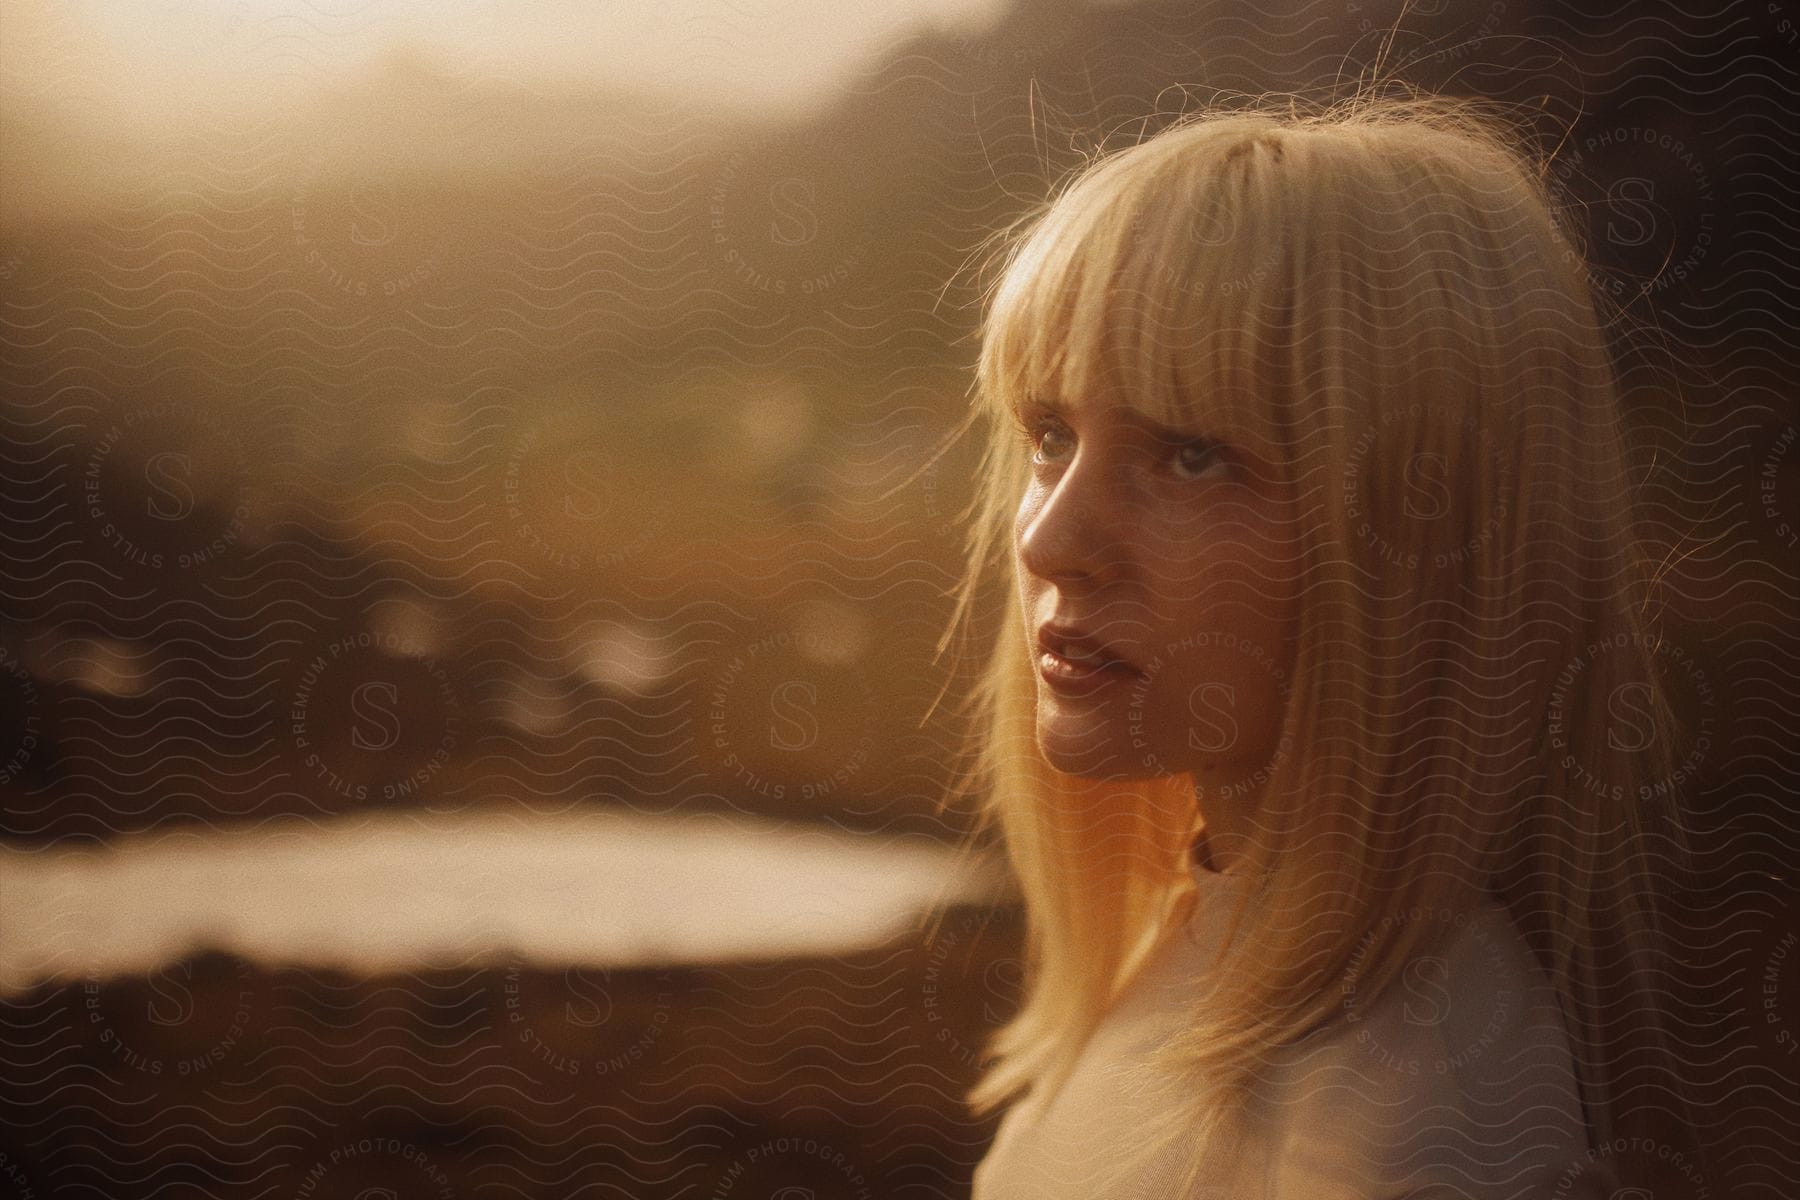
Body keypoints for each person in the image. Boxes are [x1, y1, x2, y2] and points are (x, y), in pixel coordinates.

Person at [932, 87, 1713, 1199]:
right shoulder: (1198, 944)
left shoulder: (1422, 1101)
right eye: (1051, 435)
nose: (1054, 541)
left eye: (1191, 455)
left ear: (1426, 536)